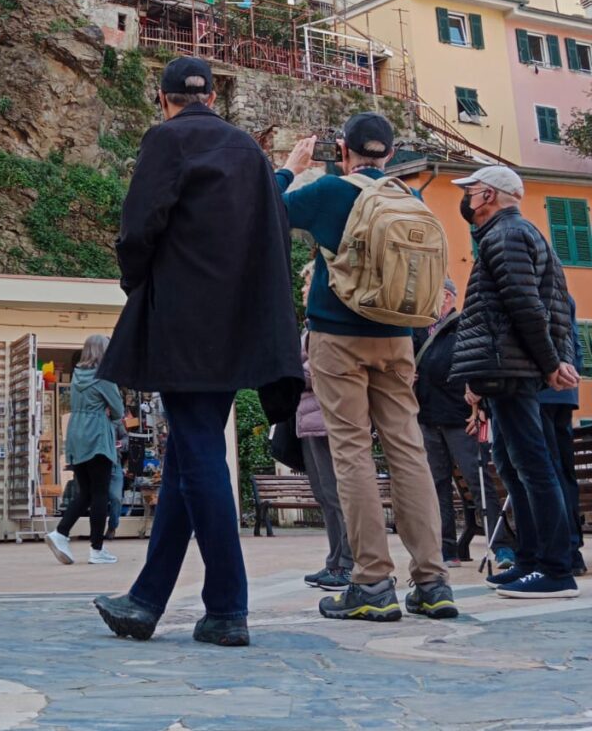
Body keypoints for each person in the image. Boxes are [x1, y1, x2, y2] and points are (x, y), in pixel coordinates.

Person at [93, 57, 304, 647]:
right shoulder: (249, 151)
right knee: (191, 456)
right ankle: (145, 600)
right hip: (238, 324)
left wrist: (140, 283)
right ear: (211, 96)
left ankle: (228, 605)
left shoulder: (166, 139)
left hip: (183, 324)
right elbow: (275, 233)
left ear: (163, 99)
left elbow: (138, 229)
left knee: (200, 456)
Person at [280, 114, 457, 622]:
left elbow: (266, 212)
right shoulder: (410, 199)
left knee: (352, 452)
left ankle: (372, 582)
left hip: (338, 337)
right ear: (391, 152)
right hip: (398, 339)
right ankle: (433, 581)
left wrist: (291, 170)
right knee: (409, 451)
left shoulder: (330, 192)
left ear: (343, 148)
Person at [450, 165, 580, 598]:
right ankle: (529, 560)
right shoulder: (517, 234)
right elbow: (554, 301)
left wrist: (549, 364)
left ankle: (555, 569)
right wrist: (553, 358)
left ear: (487, 195)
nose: (465, 200)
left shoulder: (506, 237)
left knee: (533, 465)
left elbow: (526, 304)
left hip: (512, 368)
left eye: (469, 192)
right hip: (509, 368)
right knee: (512, 462)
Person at [414, 278, 513, 570]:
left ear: (445, 296)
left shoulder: (463, 326)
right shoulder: (418, 330)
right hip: (427, 416)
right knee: (437, 483)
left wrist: (479, 407)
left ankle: (502, 545)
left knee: (477, 479)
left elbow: (476, 366)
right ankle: (447, 548)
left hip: (461, 417)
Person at [296, 263, 353, 591]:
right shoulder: (310, 326)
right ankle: (335, 560)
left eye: (307, 284)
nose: (304, 290)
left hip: (326, 421)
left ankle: (347, 563)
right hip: (311, 421)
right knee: (325, 495)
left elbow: (323, 373)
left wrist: (293, 372)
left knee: (336, 495)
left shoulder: (325, 326)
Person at [46, 335, 124, 565]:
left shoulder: (77, 375)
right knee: (100, 493)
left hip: (76, 434)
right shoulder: (105, 377)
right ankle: (96, 549)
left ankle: (60, 532)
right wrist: (109, 410)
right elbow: (118, 411)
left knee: (86, 491)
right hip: (97, 435)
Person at [537, 296, 585, 576]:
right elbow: (575, 343)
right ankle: (572, 549)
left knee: (549, 471)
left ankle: (561, 551)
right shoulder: (565, 296)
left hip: (541, 390)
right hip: (565, 392)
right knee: (565, 473)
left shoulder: (535, 290)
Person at [106, 419, 128, 540]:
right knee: (98, 499)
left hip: (115, 463)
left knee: (116, 498)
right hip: (98, 463)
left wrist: (120, 443)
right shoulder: (93, 419)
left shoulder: (116, 422)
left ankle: (112, 527)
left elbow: (126, 438)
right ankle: (96, 531)